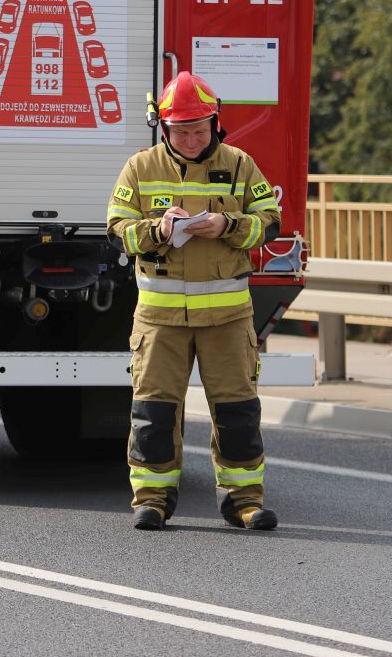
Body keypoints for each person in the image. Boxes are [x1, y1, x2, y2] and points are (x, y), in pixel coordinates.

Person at [106, 72, 282, 532]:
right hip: (160, 320)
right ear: (163, 129)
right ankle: (152, 499)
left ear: (215, 123)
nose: (191, 139)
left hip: (227, 318)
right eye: (181, 131)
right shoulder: (140, 168)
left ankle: (243, 501)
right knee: (154, 413)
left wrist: (227, 226)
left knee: (238, 412)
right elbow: (118, 232)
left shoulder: (240, 163)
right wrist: (160, 231)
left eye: (200, 129)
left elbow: (271, 221)